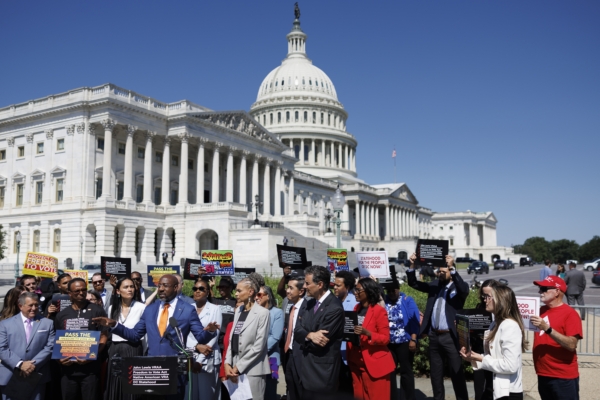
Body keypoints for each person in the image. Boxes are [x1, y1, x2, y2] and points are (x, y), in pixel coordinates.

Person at [92, 275, 219, 400]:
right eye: (159, 286)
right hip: (152, 372)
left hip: (174, 372)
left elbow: (201, 337)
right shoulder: (150, 309)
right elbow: (135, 335)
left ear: (175, 287)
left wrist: (210, 331)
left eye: (165, 286)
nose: (161, 289)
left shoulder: (187, 309)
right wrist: (114, 324)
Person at [407, 253, 470, 400]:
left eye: (444, 271)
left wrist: (452, 268)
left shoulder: (458, 287)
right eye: (439, 271)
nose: (441, 274)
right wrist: (412, 265)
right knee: (436, 374)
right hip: (434, 336)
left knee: (456, 373)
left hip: (450, 337)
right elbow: (414, 284)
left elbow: (464, 290)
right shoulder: (435, 286)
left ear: (450, 271)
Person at [460, 284, 528, 400]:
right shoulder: (495, 323)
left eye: (488, 297)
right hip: (492, 387)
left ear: (500, 300)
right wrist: (473, 357)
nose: (485, 300)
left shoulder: (509, 326)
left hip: (507, 392)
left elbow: (510, 366)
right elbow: (493, 357)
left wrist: (481, 359)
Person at [294, 265, 345, 398]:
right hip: (305, 373)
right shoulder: (309, 304)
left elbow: (319, 342)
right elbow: (297, 330)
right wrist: (310, 335)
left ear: (320, 284)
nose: (304, 287)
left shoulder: (334, 308)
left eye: (307, 283)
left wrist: (304, 336)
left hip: (321, 376)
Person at [54, 278, 109, 400]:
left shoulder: (97, 310)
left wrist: (92, 355)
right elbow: (57, 340)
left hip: (90, 371)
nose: (81, 293)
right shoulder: (62, 314)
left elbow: (104, 336)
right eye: (77, 291)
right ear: (70, 293)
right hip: (68, 371)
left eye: (84, 290)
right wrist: (59, 360)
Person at [530, 276, 583, 400]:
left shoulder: (570, 314)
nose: (540, 292)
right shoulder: (540, 310)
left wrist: (547, 328)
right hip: (543, 373)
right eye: (539, 288)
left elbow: (571, 345)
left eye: (543, 288)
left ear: (557, 291)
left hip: (563, 377)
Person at [346, 278, 395, 400]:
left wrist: (368, 333)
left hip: (374, 364)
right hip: (356, 362)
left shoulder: (379, 311)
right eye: (354, 290)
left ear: (368, 291)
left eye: (358, 290)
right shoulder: (355, 309)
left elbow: (385, 338)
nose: (355, 293)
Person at [0, 292, 55, 400]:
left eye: (36, 305)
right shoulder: (5, 324)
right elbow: (2, 348)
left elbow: (50, 347)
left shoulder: (47, 323)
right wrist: (20, 364)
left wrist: (31, 365)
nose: (34, 308)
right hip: (11, 375)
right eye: (30, 305)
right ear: (20, 306)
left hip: (36, 374)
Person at [224, 278, 271, 400]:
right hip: (234, 368)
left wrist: (239, 366)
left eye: (239, 291)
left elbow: (258, 346)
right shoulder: (238, 311)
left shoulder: (262, 313)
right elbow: (231, 339)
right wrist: (227, 362)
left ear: (250, 292)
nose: (236, 294)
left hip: (253, 370)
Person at [104, 277, 145, 400]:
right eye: (126, 287)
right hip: (115, 349)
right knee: (115, 384)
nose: (130, 289)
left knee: (131, 386)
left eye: (131, 286)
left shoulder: (141, 307)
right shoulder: (112, 309)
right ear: (118, 291)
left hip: (133, 349)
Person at [383, 278, 420, 400]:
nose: (391, 293)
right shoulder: (384, 301)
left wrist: (413, 339)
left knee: (406, 372)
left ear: (399, 289)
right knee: (390, 372)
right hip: (389, 343)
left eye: (393, 290)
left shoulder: (407, 300)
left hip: (404, 342)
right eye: (389, 291)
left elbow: (414, 321)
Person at [186, 278, 223, 400]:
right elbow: (183, 334)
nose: (197, 291)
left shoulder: (215, 309)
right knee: (190, 395)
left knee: (207, 395)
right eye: (195, 289)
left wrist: (200, 360)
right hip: (189, 356)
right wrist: (195, 347)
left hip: (208, 357)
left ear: (207, 292)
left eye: (201, 289)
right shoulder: (187, 308)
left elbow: (213, 336)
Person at [469, 280, 497, 400]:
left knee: (491, 387)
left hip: (494, 354)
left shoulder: (501, 311)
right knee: (479, 385)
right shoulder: (480, 307)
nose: (485, 299)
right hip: (479, 349)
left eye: (488, 296)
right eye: (483, 295)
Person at [256, 285, 284, 400]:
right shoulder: (254, 312)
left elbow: (275, 337)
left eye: (259, 295)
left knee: (270, 389)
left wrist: (259, 350)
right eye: (255, 295)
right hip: (255, 357)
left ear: (267, 296)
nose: (256, 298)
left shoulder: (277, 313)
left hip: (271, 358)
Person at [282, 274, 307, 400]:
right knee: (291, 390)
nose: (287, 291)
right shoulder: (292, 307)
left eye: (291, 288)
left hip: (301, 356)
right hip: (289, 355)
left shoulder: (308, 308)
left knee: (300, 392)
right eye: (287, 287)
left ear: (301, 291)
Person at [333, 270, 358, 395]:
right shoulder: (332, 301)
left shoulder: (355, 303)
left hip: (349, 353)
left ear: (347, 287)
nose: (335, 288)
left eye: (338, 285)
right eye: (334, 285)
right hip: (334, 353)